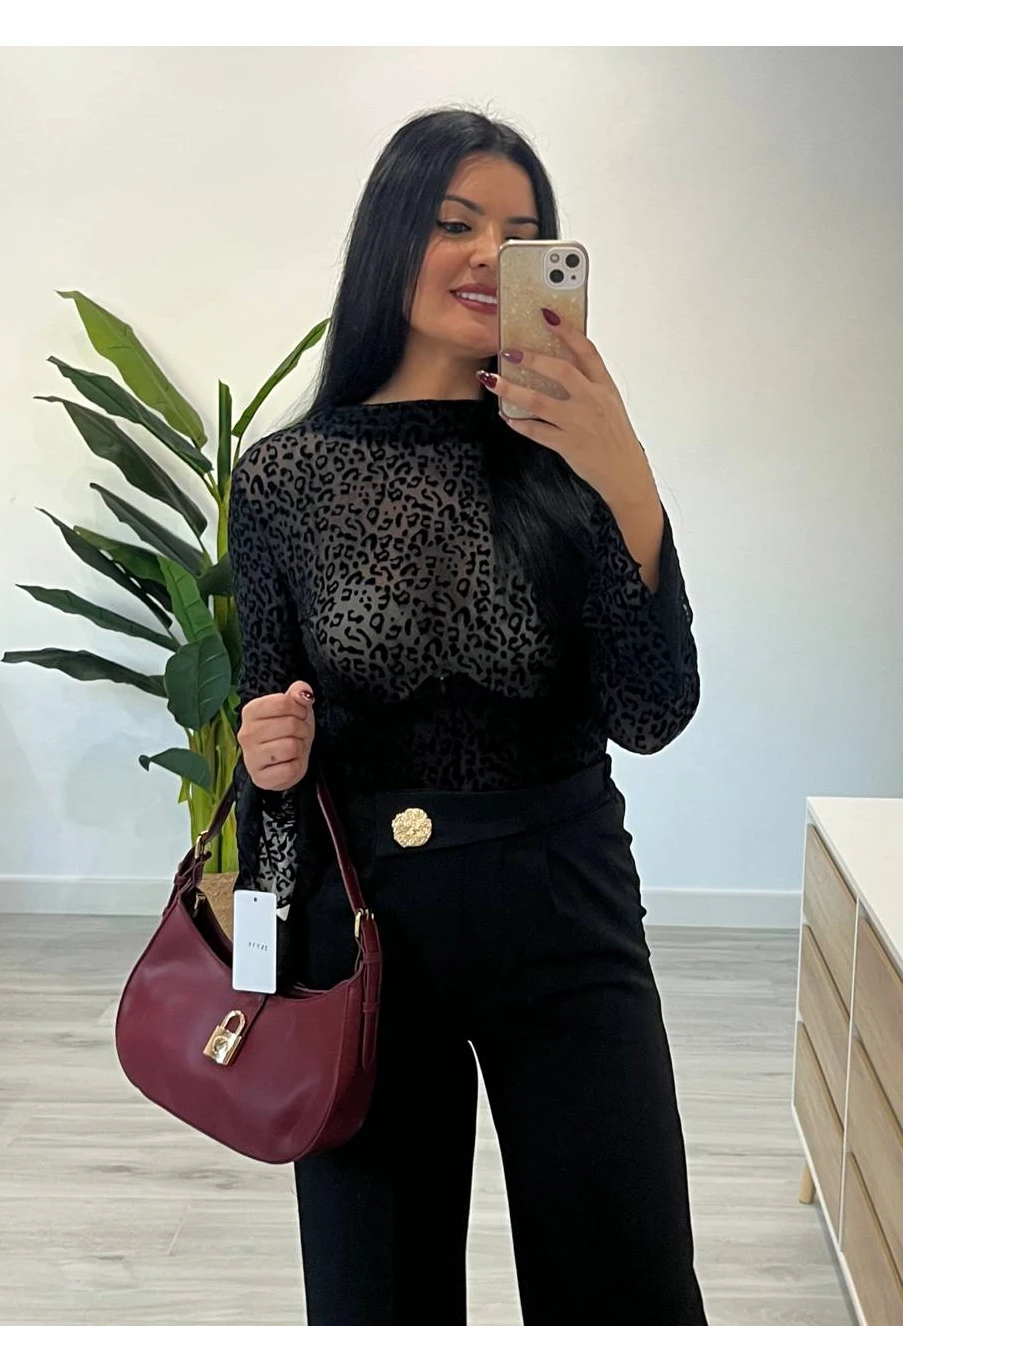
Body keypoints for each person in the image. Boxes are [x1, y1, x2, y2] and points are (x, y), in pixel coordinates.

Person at [228, 106, 706, 1327]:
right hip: (364, 931)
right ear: (391, 238)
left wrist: (625, 472)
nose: (490, 256)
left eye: (522, 234)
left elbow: (653, 711)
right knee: (375, 1309)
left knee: (628, 1296)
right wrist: (259, 971)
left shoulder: (571, 460)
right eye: (455, 224)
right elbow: (267, 751)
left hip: (564, 909)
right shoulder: (282, 478)